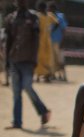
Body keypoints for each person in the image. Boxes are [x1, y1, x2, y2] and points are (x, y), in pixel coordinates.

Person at [5, 0, 51, 129]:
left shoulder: (33, 17)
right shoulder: (10, 18)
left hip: (28, 60)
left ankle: (43, 111)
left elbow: (36, 40)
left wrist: (35, 59)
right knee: (16, 92)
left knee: (27, 86)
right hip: (14, 59)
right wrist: (7, 62)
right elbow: (8, 40)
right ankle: (17, 122)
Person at [34, 1, 56, 82]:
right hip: (40, 40)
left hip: (46, 40)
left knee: (47, 58)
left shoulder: (49, 16)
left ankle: (47, 76)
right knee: (39, 58)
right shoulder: (38, 16)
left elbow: (57, 23)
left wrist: (51, 30)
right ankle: (38, 76)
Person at [47, 2, 65, 81]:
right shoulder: (48, 16)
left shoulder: (60, 17)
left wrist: (62, 41)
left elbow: (64, 29)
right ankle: (53, 75)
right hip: (50, 42)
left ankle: (63, 76)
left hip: (58, 41)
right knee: (52, 60)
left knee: (60, 60)